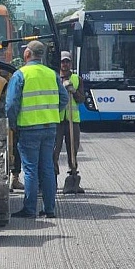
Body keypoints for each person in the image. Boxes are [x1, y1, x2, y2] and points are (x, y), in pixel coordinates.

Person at [6, 40, 68, 219]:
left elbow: (11, 104)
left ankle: (30, 209)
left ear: (27, 54)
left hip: (28, 128)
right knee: (47, 167)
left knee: (31, 169)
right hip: (50, 128)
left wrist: (12, 123)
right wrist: (51, 113)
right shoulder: (52, 74)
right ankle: (49, 209)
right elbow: (63, 99)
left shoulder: (20, 75)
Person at [54, 51, 85, 193]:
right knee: (54, 150)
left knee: (73, 149)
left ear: (70, 63)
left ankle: (73, 176)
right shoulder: (53, 78)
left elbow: (81, 99)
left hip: (73, 121)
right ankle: (52, 179)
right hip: (57, 121)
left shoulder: (77, 79)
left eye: (67, 61)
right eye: (62, 62)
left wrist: (73, 90)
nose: (64, 64)